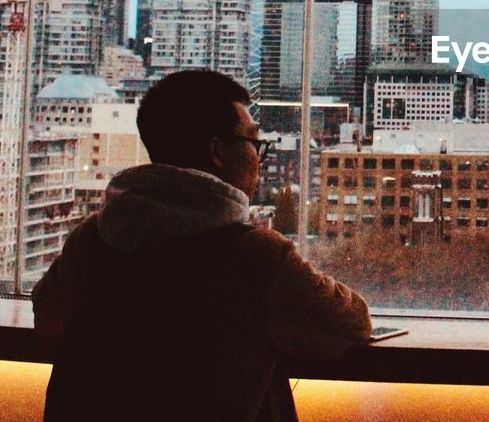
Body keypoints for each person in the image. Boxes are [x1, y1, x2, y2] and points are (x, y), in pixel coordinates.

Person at [33, 69, 372, 422]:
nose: (259, 157)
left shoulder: (93, 238)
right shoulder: (257, 256)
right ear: (217, 151)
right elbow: (350, 323)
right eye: (254, 143)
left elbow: (47, 317)